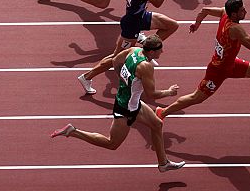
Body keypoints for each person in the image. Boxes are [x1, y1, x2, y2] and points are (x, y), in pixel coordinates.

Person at [50, 35, 185, 173]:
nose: (162, 52)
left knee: (157, 124)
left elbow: (115, 60)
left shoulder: (134, 50)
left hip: (130, 101)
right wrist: (169, 92)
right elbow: (151, 95)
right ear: (151, 52)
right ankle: (73, 132)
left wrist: (124, 81)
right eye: (160, 50)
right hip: (126, 108)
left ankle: (163, 163)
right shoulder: (146, 67)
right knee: (112, 143)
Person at [156, 0, 250, 120]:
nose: (245, 12)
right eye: (242, 10)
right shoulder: (236, 29)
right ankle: (163, 112)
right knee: (196, 97)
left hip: (230, 64)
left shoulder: (224, 12)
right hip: (218, 71)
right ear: (234, 14)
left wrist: (197, 23)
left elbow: (204, 10)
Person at [77, 0, 179, 95]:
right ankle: (86, 77)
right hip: (132, 23)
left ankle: (146, 50)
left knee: (172, 25)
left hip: (141, 16)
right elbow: (158, 3)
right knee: (116, 56)